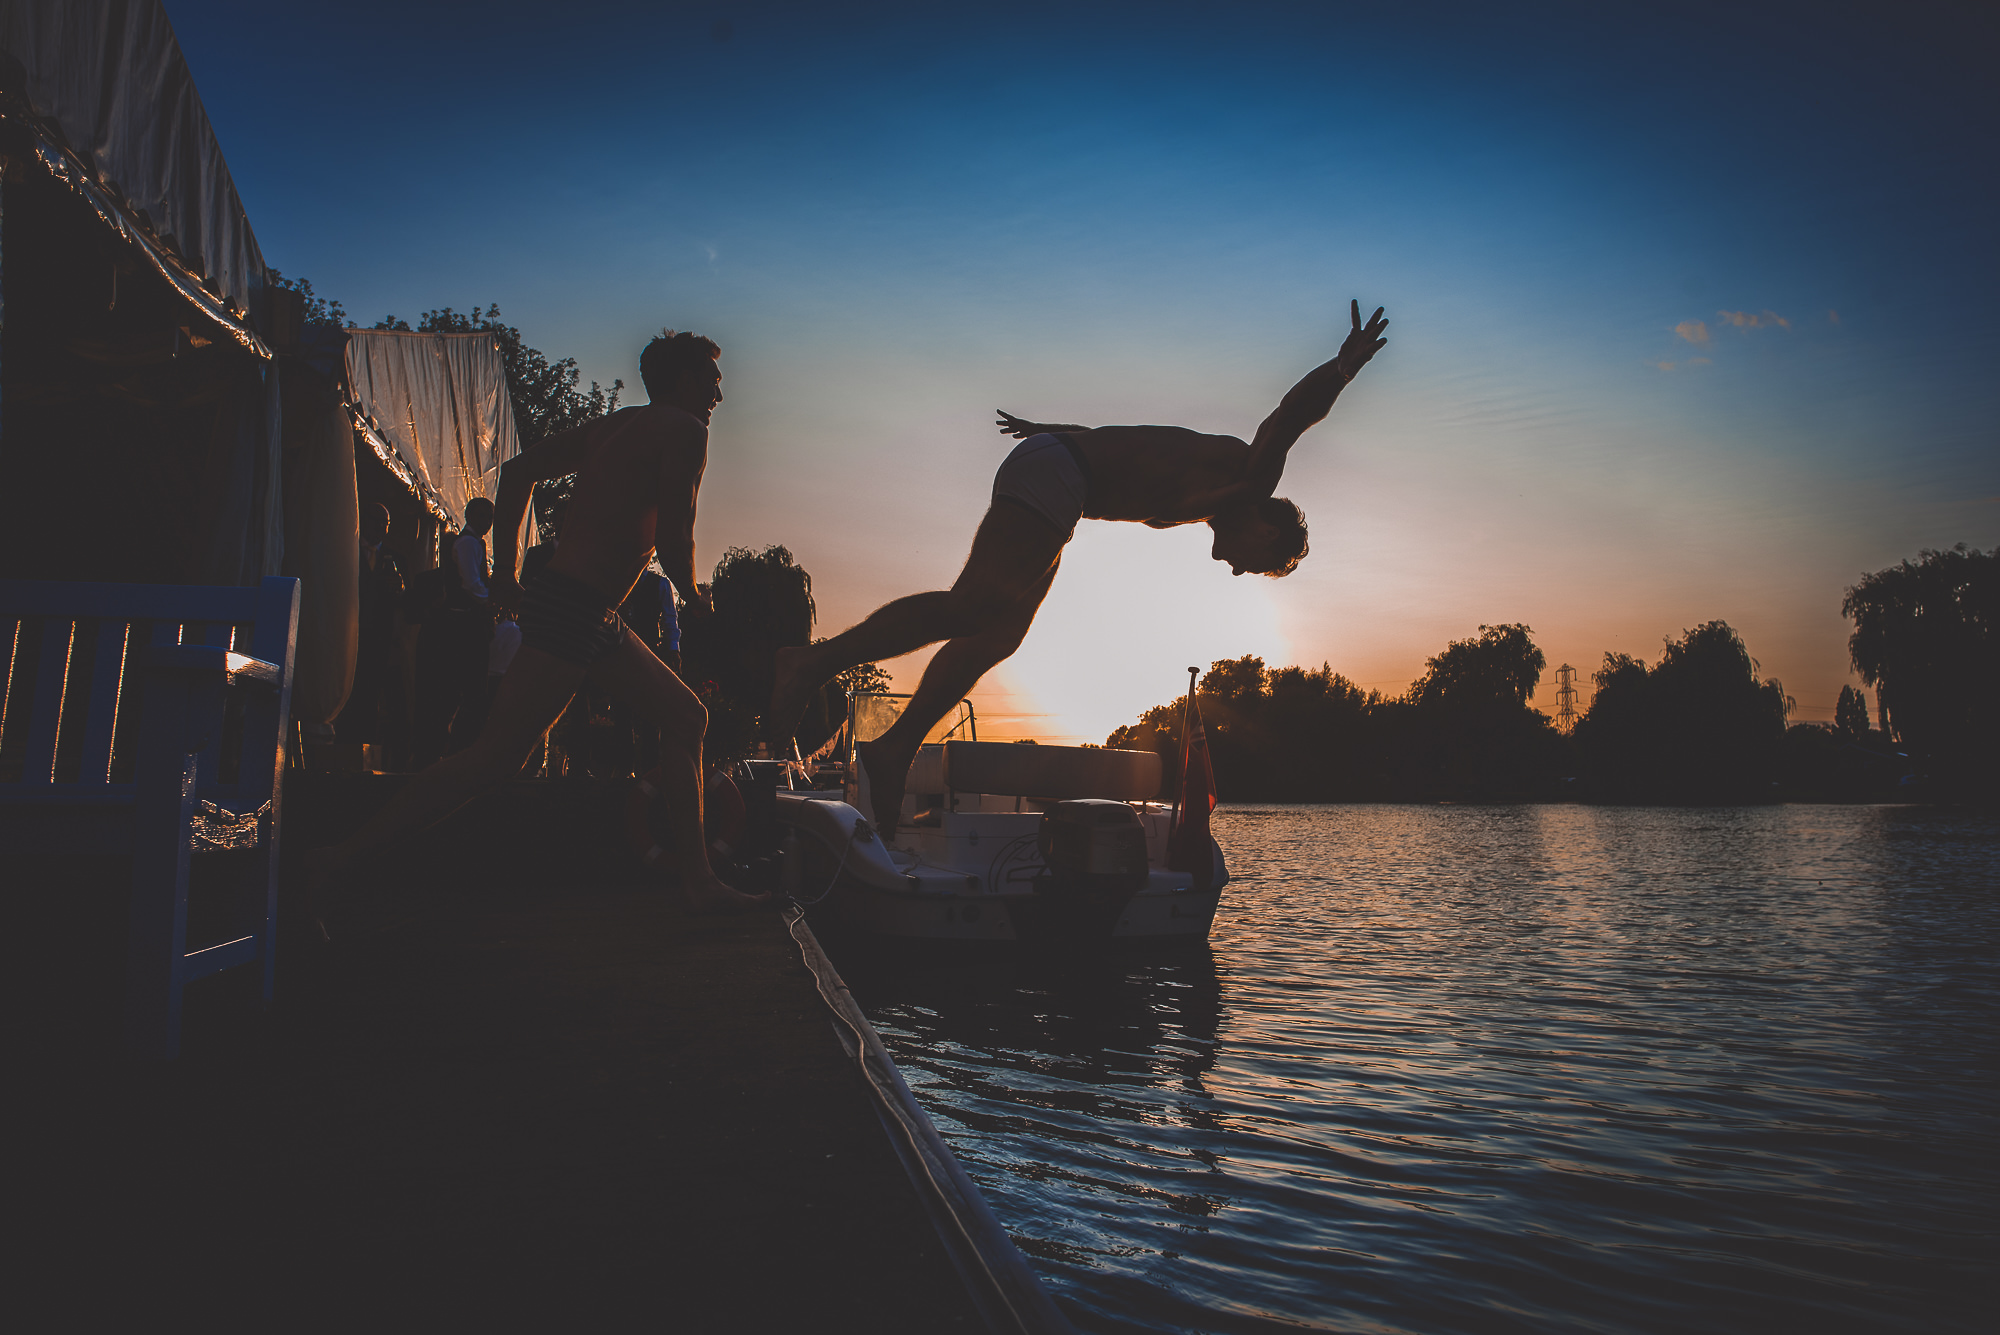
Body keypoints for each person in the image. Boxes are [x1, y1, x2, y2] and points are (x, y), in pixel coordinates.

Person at [767, 299, 1390, 839]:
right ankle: (810, 664)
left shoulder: (1211, 492)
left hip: (1064, 478)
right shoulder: (1252, 477)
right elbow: (1292, 414)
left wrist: (1050, 431)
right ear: (1269, 531)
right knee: (973, 604)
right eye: (1254, 567)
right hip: (1060, 476)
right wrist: (1342, 368)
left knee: (998, 634)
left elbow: (1129, 443)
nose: (1235, 572)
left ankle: (894, 748)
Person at [307, 329, 769, 928]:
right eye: (711, 379)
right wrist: (701, 603)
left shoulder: (614, 426)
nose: (719, 393)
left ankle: (699, 882)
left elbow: (518, 473)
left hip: (590, 612)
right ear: (681, 381)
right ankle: (337, 859)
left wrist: (504, 574)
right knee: (491, 759)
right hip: (577, 607)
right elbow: (677, 544)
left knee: (686, 719)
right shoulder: (686, 432)